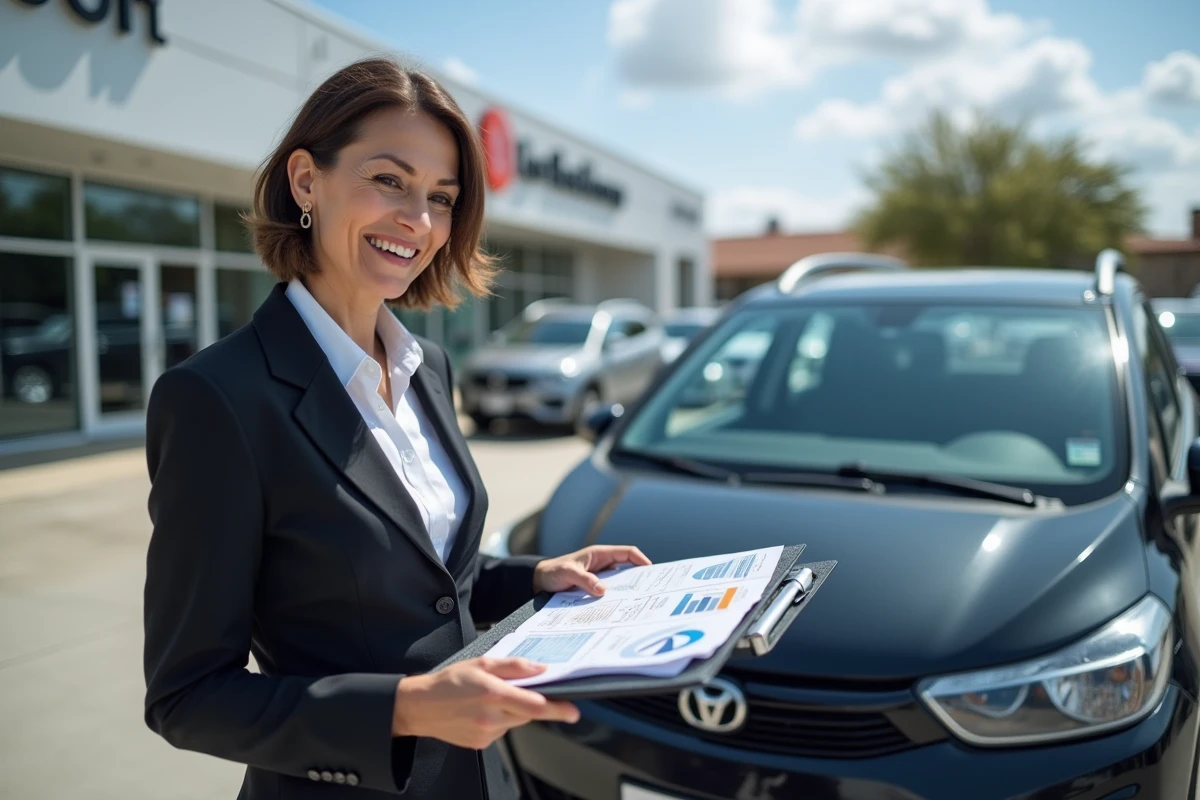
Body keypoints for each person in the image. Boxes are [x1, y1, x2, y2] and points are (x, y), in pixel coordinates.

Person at [142, 57, 650, 800]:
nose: (419, 221)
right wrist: (404, 710)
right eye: (389, 180)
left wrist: (536, 578)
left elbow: (435, 588)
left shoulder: (430, 367)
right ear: (306, 181)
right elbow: (186, 697)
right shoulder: (217, 399)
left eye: (441, 198)